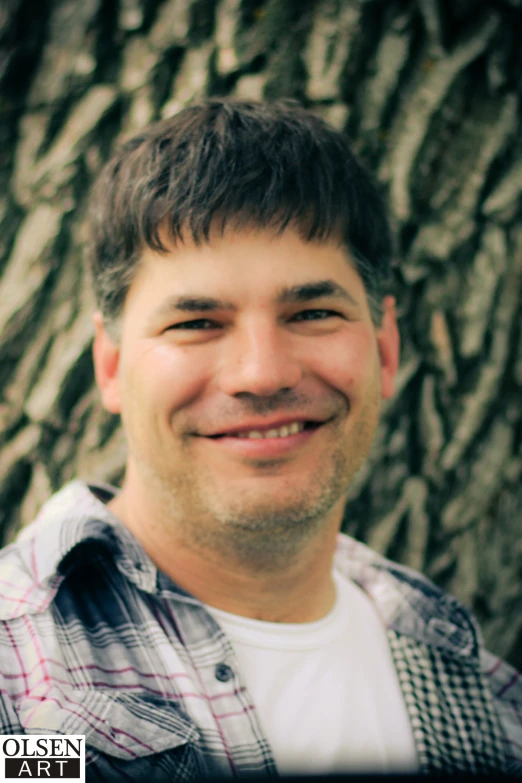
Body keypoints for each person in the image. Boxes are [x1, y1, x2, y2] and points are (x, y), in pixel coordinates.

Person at [0, 99, 520, 781]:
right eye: (196, 323)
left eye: (312, 312)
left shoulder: (491, 700)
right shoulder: (17, 673)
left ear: (385, 349)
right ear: (112, 366)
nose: (261, 373)